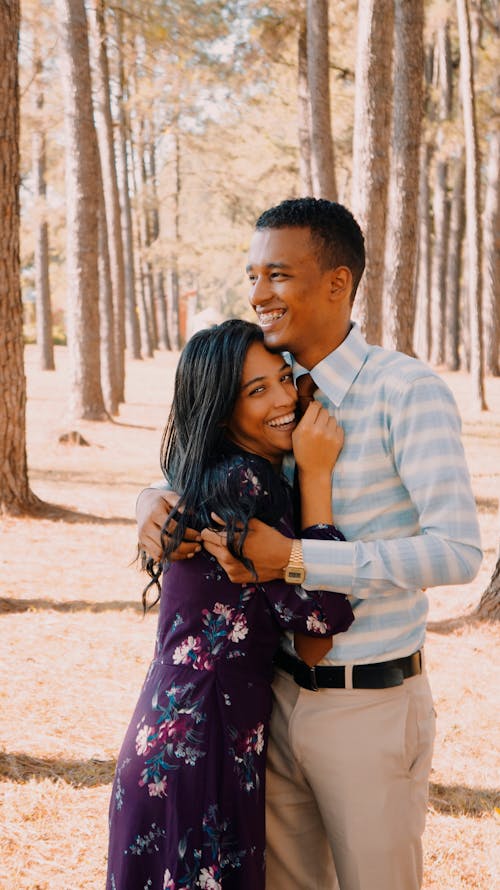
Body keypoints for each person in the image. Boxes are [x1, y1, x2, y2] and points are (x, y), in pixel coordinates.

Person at [136, 198, 482, 890]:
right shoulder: (274, 391)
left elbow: (457, 552)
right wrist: (151, 497)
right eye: (253, 276)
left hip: (368, 707)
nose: (259, 294)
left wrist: (298, 558)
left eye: (278, 275)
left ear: (337, 284)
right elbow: (209, 457)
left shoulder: (405, 391)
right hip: (270, 702)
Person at [107, 319, 354, 890]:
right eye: (256, 390)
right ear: (221, 413)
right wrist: (317, 477)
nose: (286, 399)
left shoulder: (208, 478)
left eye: (285, 379)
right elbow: (321, 626)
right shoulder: (248, 485)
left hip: (163, 738)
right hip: (206, 745)